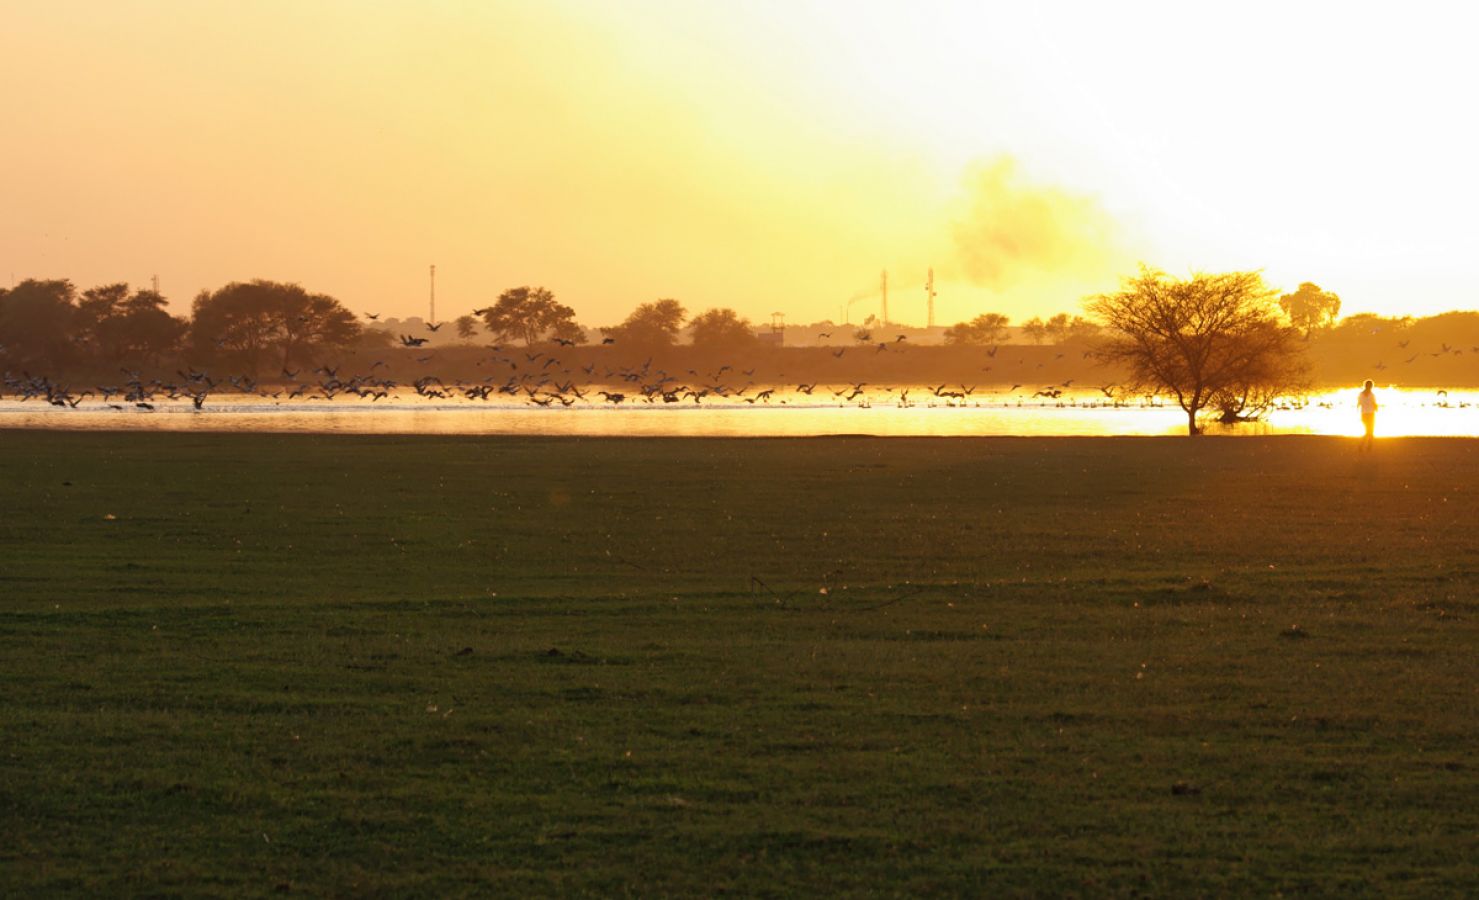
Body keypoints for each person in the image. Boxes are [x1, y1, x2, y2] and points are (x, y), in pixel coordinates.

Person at [1357, 379, 1378, 450]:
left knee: (1368, 431)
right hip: (1370, 414)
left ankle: (1366, 446)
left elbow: (1358, 404)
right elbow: (1375, 404)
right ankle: (1365, 446)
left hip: (1363, 414)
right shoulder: (1372, 395)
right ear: (1371, 386)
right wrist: (1377, 408)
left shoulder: (1360, 394)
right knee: (1370, 431)